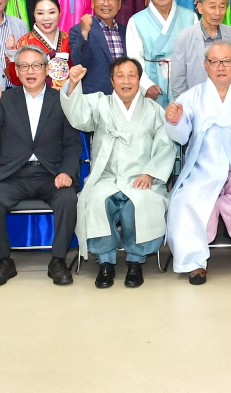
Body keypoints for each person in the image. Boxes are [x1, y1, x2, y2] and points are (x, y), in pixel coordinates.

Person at [61, 57, 175, 288]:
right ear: (112, 81)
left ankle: (135, 261)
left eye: (132, 75)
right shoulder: (100, 103)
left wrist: (150, 174)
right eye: (120, 76)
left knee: (139, 203)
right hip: (107, 176)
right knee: (96, 201)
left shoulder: (154, 110)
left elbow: (166, 145)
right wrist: (72, 83)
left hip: (141, 178)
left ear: (139, 79)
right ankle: (105, 263)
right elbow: (78, 116)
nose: (126, 81)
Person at [164, 41, 231, 284]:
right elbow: (181, 137)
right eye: (214, 62)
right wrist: (174, 121)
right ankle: (196, 262)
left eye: (226, 61)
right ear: (205, 65)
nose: (221, 67)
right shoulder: (191, 97)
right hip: (203, 170)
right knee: (188, 201)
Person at [0, 46, 83, 288]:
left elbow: (72, 144)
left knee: (67, 198)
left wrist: (66, 172)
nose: (30, 71)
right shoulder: (5, 99)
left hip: (51, 174)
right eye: (24, 66)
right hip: (15, 174)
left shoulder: (61, 99)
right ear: (16, 71)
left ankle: (58, 261)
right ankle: (3, 261)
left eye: (36, 65)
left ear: (46, 69)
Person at [123, 0, 196, 105]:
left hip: (185, 84)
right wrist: (145, 85)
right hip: (153, 86)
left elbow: (197, 55)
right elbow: (134, 59)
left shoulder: (190, 17)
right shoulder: (136, 21)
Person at [170, 0, 231, 101]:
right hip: (197, 103)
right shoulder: (184, 37)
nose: (218, 12)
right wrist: (185, 106)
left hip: (230, 101)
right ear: (200, 8)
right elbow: (178, 81)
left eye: (222, 7)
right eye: (212, 7)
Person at [68, 0, 124, 96]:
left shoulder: (126, 31)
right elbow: (78, 62)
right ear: (92, 3)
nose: (106, 3)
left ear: (119, 3)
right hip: (94, 99)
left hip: (123, 97)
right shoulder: (78, 30)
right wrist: (84, 32)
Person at [4, 0, 70, 90]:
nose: (46, 18)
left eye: (51, 12)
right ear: (34, 15)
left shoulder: (69, 39)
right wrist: (12, 53)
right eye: (40, 13)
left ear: (60, 13)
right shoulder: (24, 43)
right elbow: (15, 81)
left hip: (67, 96)